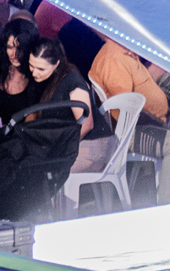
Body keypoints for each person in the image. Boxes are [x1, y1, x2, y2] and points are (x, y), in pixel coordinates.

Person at [89, 37, 170, 201]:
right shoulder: (113, 59)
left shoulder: (127, 52)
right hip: (133, 130)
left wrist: (167, 113)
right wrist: (160, 124)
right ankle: (168, 203)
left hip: (158, 119)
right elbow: (127, 108)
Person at [18, 39, 113, 172]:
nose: (34, 72)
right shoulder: (46, 79)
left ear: (56, 64)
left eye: (40, 68)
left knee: (43, 174)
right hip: (74, 145)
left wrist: (57, 146)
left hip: (92, 147)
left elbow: (86, 125)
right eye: (31, 66)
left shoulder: (72, 81)